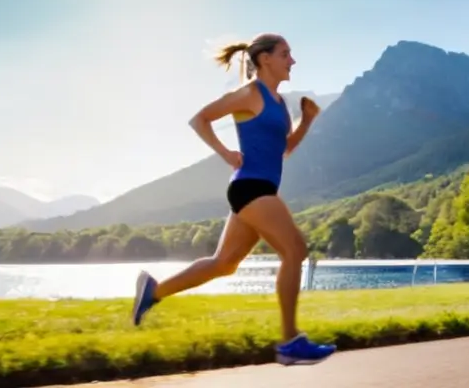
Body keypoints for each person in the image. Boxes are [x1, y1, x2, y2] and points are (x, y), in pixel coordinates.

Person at [131, 33, 337, 365]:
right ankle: (289, 342)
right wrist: (226, 152)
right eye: (286, 54)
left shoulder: (279, 105)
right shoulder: (248, 94)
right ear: (265, 59)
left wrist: (307, 121)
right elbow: (200, 119)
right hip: (250, 187)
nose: (292, 61)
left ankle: (153, 292)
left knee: (224, 264)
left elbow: (282, 150)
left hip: (259, 189)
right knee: (295, 249)